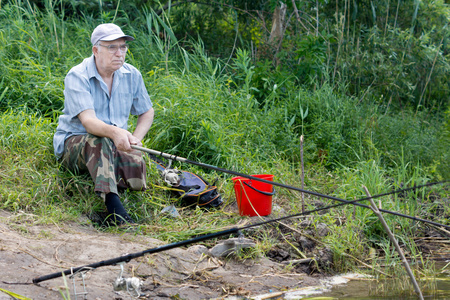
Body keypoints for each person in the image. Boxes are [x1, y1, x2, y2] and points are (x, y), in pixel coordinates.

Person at [53, 23, 154, 225]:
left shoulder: (132, 74)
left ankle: (120, 188)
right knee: (100, 142)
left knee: (136, 163)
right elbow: (89, 122)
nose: (119, 53)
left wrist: (135, 139)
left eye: (123, 47)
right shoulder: (78, 75)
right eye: (112, 47)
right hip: (76, 144)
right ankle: (113, 211)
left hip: (113, 141)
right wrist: (116, 133)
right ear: (96, 50)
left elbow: (147, 111)